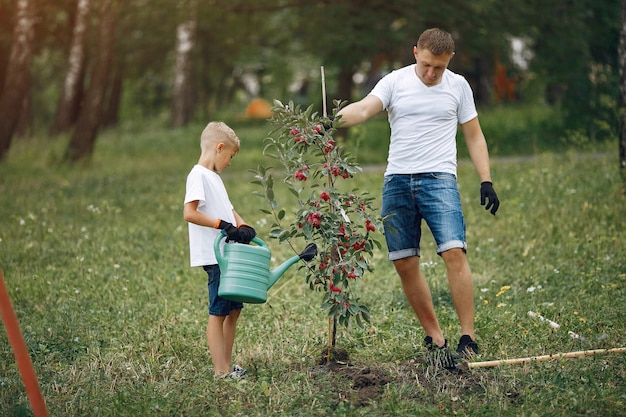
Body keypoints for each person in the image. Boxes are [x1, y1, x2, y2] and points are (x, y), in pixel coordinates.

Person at [333, 28, 500, 361]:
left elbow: (474, 136)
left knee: (454, 252)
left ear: (449, 59)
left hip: (439, 180)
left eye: (438, 67)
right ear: (415, 53)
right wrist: (331, 121)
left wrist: (486, 180)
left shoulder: (458, 86)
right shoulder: (394, 82)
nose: (431, 73)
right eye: (426, 65)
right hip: (397, 181)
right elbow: (365, 109)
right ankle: (435, 337)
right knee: (405, 261)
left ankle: (467, 336)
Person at [183, 121, 257, 379]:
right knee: (218, 312)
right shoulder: (198, 175)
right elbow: (189, 213)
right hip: (215, 257)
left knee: (234, 310)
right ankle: (220, 372)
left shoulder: (213, 177)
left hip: (229, 254)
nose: (230, 162)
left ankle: (228, 365)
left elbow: (227, 208)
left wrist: (241, 224)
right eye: (230, 156)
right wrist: (222, 225)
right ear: (219, 147)